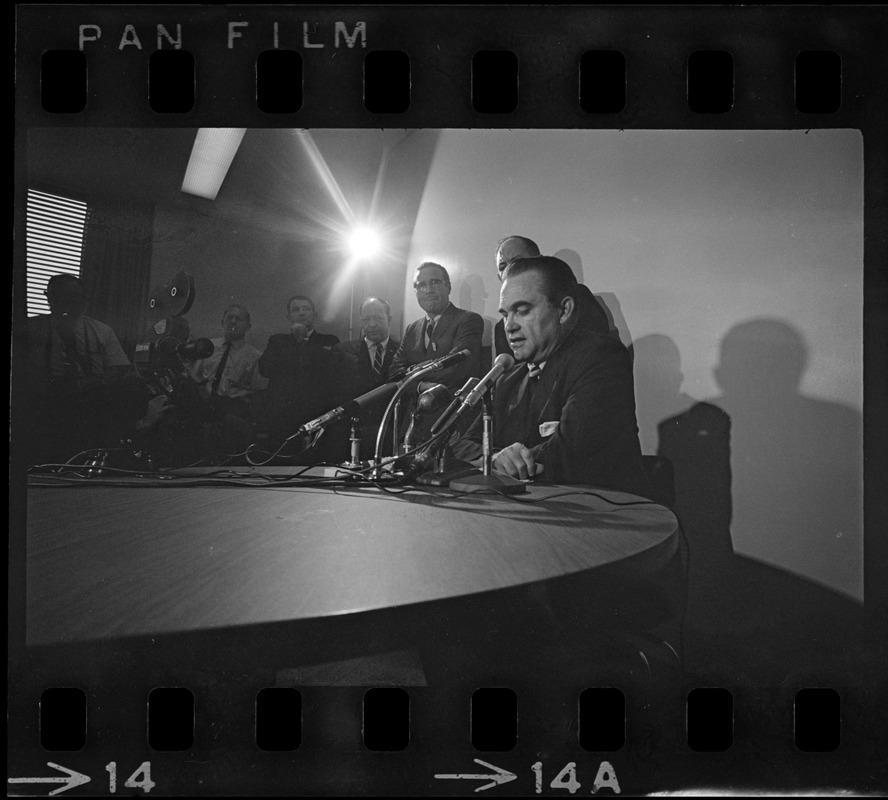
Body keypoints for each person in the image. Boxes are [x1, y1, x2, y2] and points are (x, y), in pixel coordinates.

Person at [456, 255, 648, 496]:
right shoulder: (507, 379)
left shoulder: (601, 357)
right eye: (505, 314)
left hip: (601, 516)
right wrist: (495, 458)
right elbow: (463, 446)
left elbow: (570, 453)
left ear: (564, 310)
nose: (509, 326)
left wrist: (508, 461)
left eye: (523, 310)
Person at [24, 274, 148, 462]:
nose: (69, 306)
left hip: (91, 399)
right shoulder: (31, 328)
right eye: (62, 299)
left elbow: (120, 370)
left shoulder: (101, 331)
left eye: (75, 300)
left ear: (84, 300)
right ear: (48, 297)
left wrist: (92, 383)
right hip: (46, 399)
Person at [492, 235, 616, 357]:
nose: (510, 269)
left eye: (524, 310)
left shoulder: (579, 296)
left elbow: (593, 350)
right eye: (503, 267)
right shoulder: (501, 328)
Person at [390, 262, 484, 392]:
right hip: (413, 409)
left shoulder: (468, 320)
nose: (428, 290)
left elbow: (456, 367)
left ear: (448, 287)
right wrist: (420, 386)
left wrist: (411, 371)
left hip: (450, 408)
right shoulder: (412, 329)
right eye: (421, 285)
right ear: (416, 292)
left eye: (434, 282)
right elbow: (394, 372)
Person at [336, 297, 401, 458]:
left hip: (391, 435)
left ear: (389, 319)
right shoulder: (342, 352)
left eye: (378, 318)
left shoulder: (403, 351)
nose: (372, 324)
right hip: (352, 435)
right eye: (366, 319)